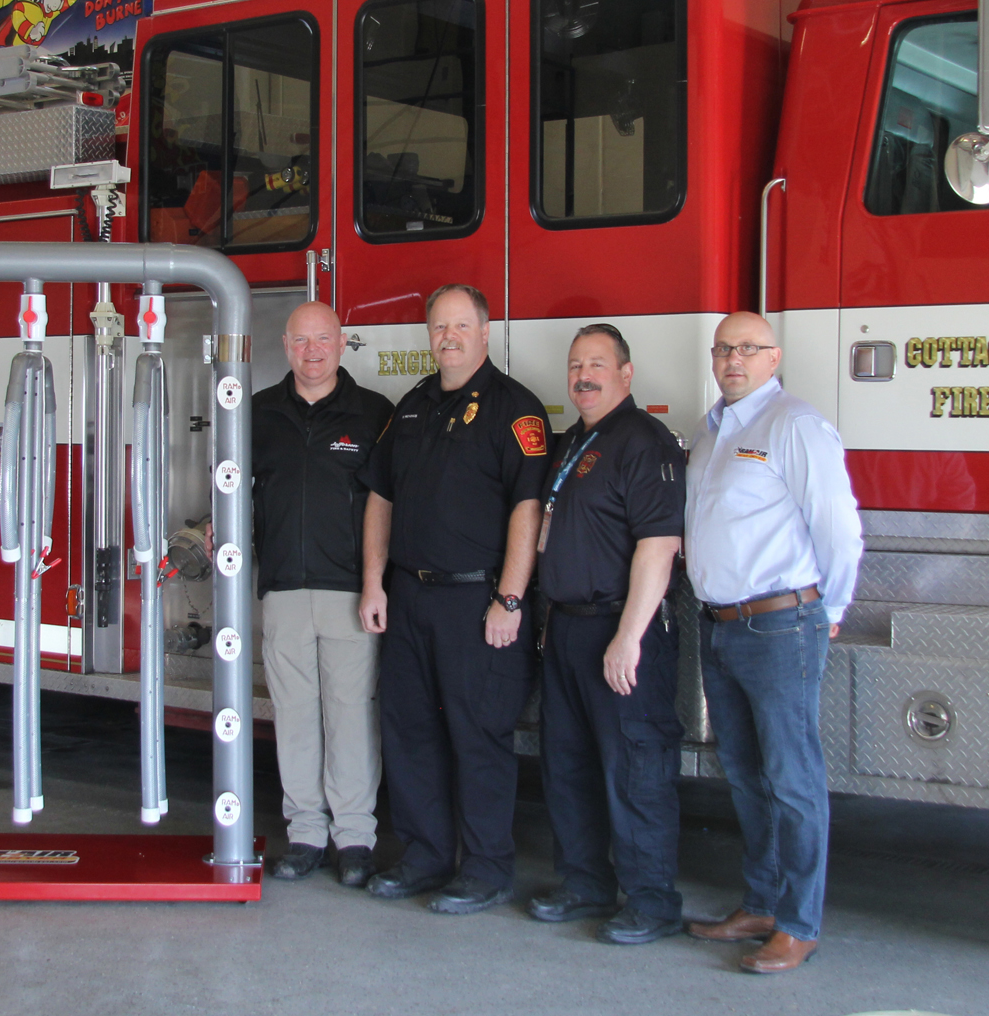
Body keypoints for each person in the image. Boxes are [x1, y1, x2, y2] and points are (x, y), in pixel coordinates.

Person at [358, 283, 550, 915]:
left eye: (460, 326)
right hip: (409, 598)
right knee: (409, 732)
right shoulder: (411, 407)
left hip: (478, 603)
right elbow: (380, 498)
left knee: (479, 735)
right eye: (439, 327)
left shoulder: (514, 409)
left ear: (485, 332)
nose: (448, 337)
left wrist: (512, 599)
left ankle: (488, 868)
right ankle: (424, 856)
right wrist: (373, 583)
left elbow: (528, 507)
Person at [683, 311, 863, 974]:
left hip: (782, 625)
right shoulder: (711, 433)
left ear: (773, 356)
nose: (734, 359)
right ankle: (759, 903)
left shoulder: (794, 424)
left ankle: (798, 922)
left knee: (793, 779)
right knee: (748, 776)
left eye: (748, 349)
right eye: (725, 348)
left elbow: (838, 528)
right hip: (721, 626)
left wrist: (831, 609)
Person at [529, 324, 687, 945]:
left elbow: (659, 546)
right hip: (567, 631)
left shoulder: (643, 442)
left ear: (626, 373)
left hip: (623, 632)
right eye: (575, 365)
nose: (583, 375)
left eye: (597, 364)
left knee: (636, 769)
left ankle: (652, 900)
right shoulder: (574, 441)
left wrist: (630, 636)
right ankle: (585, 883)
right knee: (567, 767)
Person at [251, 301, 394, 887]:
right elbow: (233, 488)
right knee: (294, 716)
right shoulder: (256, 413)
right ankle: (306, 831)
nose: (312, 351)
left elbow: (385, 507)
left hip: (349, 594)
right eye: (301, 341)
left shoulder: (373, 415)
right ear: (286, 346)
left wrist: (374, 584)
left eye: (323, 340)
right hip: (282, 590)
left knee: (352, 715)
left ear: (342, 343)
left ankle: (355, 835)